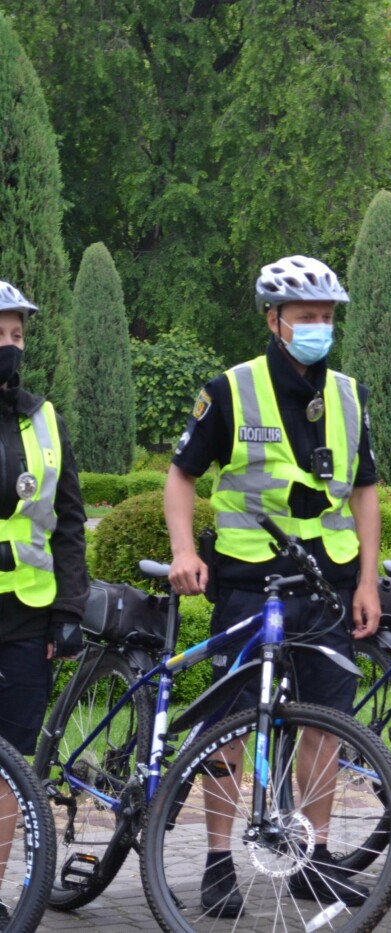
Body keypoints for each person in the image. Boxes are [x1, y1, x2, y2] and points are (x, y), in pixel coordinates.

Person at [165, 255, 382, 915]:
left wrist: (369, 578)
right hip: (248, 579)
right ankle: (216, 862)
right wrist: (182, 551)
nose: (319, 326)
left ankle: (309, 858)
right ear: (274, 318)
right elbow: (181, 477)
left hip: (328, 582)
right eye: (307, 316)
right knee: (230, 725)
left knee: (326, 725)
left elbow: (367, 490)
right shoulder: (230, 389)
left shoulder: (347, 393)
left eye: (326, 316)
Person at [0, 281, 86, 915]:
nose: (10, 344)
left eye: (17, 334)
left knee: (10, 766)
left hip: (27, 617)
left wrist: (68, 612)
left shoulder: (43, 418)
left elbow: (70, 523)